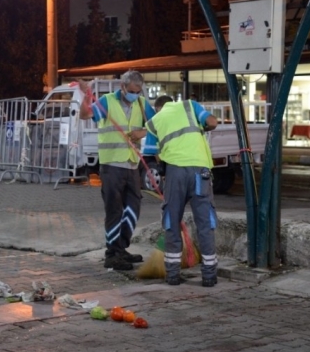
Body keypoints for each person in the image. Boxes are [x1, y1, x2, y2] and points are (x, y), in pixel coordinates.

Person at [79, 70, 156, 271]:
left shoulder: (141, 103)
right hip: (111, 165)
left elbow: (157, 124)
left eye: (138, 91)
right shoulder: (107, 102)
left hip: (131, 164)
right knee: (114, 211)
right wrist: (86, 95)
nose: (135, 94)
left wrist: (143, 131)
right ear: (123, 87)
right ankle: (111, 254)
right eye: (132, 91)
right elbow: (85, 114)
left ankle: (121, 248)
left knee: (133, 209)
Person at [145, 95, 219, 287]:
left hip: (175, 172)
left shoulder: (154, 121)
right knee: (205, 222)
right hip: (200, 172)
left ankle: (172, 275)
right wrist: (203, 129)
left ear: (158, 108)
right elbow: (212, 122)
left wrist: (162, 169)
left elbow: (151, 154)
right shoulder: (190, 105)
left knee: (171, 221)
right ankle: (209, 276)